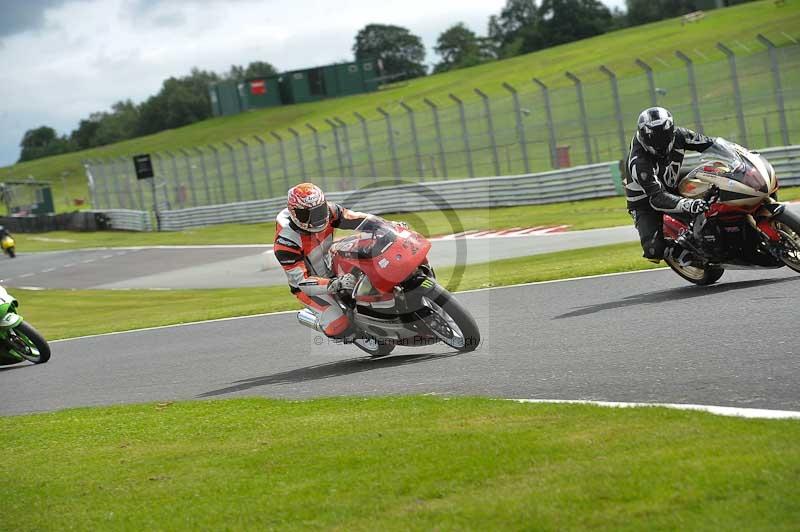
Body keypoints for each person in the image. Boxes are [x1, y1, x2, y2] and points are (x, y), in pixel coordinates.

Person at [273, 182, 373, 340]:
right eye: (307, 215)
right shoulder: (286, 242)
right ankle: (317, 320)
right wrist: (334, 284)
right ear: (294, 214)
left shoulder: (331, 211)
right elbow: (301, 281)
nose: (316, 219)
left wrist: (387, 225)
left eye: (319, 211)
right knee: (340, 327)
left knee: (370, 257)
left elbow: (358, 219)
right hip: (311, 286)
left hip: (331, 261)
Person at [625, 107, 715, 264]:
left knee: (713, 176)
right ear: (644, 137)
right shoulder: (639, 162)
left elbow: (710, 144)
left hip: (671, 179)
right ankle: (679, 251)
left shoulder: (680, 135)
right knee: (653, 251)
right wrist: (689, 204)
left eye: (664, 137)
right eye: (655, 139)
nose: (660, 144)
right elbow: (657, 199)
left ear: (671, 131)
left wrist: (741, 153)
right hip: (646, 201)